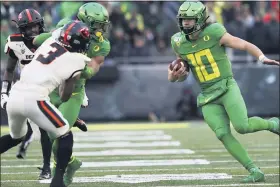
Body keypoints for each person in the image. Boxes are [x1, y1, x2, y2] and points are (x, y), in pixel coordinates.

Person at [168, 1, 279, 183]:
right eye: (183, 19)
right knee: (222, 134)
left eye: (190, 19)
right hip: (207, 95)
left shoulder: (214, 32)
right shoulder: (178, 41)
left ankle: (273, 124)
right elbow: (176, 74)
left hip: (226, 87)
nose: (186, 23)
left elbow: (242, 44)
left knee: (242, 127)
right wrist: (175, 75)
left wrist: (261, 57)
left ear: (201, 19)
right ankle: (253, 170)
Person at [0, 20, 91, 187]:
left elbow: (38, 40)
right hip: (35, 98)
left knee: (16, 137)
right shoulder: (77, 59)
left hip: (15, 95)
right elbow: (64, 96)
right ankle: (58, 183)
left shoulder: (49, 41)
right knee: (64, 133)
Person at [33, 2, 111, 186]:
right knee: (52, 134)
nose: (101, 30)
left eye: (103, 25)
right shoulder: (65, 27)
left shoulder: (102, 45)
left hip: (74, 89)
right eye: (98, 25)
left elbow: (93, 68)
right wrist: (52, 38)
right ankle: (71, 163)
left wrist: (77, 67)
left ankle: (59, 173)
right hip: (51, 87)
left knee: (57, 131)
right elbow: (38, 41)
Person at [1, 8, 53, 179]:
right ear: (21, 29)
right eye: (29, 27)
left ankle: (47, 169)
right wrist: (3, 92)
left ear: (41, 26)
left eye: (35, 26)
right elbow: (8, 70)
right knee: (17, 136)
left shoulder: (49, 42)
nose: (33, 31)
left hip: (41, 91)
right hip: (21, 91)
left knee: (45, 128)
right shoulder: (15, 42)